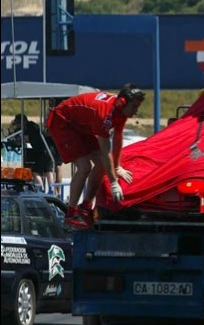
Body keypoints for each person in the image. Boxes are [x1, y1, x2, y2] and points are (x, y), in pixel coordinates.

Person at [46, 84, 144, 229]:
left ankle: (85, 207)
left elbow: (117, 138)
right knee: (85, 167)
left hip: (81, 124)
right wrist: (113, 183)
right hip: (63, 122)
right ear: (121, 103)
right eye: (134, 107)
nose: (136, 112)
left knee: (102, 165)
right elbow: (105, 152)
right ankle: (71, 213)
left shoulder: (120, 111)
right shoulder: (104, 115)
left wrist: (117, 167)